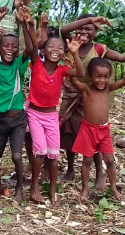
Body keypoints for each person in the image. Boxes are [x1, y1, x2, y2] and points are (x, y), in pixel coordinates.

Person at [59, 14, 125, 188]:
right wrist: (89, 20)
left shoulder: (100, 49)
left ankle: (100, 174)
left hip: (91, 98)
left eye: (89, 28)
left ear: (96, 32)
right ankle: (70, 169)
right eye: (81, 27)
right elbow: (64, 29)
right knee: (68, 133)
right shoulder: (69, 44)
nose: (83, 31)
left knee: (93, 136)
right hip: (71, 94)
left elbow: (122, 57)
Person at [26, 22, 85, 204]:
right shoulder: (35, 65)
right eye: (50, 46)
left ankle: (52, 189)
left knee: (53, 154)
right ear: (42, 52)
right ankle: (34, 187)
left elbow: (81, 72)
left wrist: (74, 53)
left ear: (63, 53)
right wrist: (30, 25)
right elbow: (32, 46)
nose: (55, 50)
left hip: (51, 116)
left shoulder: (62, 70)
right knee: (40, 152)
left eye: (60, 48)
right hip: (34, 114)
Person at [70, 58, 125, 201]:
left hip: (104, 131)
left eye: (106, 77)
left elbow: (124, 81)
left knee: (110, 160)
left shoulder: (108, 88)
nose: (102, 80)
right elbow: (74, 82)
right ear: (91, 76)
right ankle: (85, 188)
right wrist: (73, 69)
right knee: (87, 160)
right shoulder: (86, 89)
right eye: (98, 76)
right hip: (88, 130)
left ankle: (114, 188)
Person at [0, 5, 33, 202]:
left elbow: (30, 49)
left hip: (17, 120)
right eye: (6, 46)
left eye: (14, 46)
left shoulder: (19, 65)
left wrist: (24, 23)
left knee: (17, 157)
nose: (10, 49)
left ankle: (20, 187)